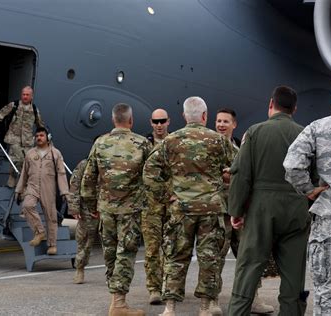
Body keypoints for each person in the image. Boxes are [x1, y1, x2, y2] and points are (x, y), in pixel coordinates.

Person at [143, 96, 234, 316]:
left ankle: (170, 307)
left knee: (176, 257)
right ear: (205, 116)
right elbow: (238, 166)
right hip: (210, 209)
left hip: (180, 209)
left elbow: (150, 172)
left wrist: (167, 195)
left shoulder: (171, 140)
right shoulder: (218, 140)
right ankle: (205, 307)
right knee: (208, 257)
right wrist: (224, 181)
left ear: (184, 116)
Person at [227, 86, 311, 315]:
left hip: (261, 208)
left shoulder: (254, 132)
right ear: (294, 108)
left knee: (249, 269)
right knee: (294, 275)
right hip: (296, 208)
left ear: (270, 104)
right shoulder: (305, 134)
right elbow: (313, 179)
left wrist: (235, 210)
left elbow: (241, 175)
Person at [284, 75, 331, 316]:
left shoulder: (317, 128)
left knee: (326, 290)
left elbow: (293, 165)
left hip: (330, 217)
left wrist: (308, 191)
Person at [81, 103, 152, 316]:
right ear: (130, 121)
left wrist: (91, 205)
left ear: (113, 120)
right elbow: (153, 176)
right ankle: (119, 303)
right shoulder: (141, 144)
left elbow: (88, 177)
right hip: (130, 210)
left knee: (110, 253)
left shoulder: (101, 143)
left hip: (106, 209)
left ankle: (116, 300)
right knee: (126, 253)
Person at [214, 108, 275, 315]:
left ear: (234, 125)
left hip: (241, 210)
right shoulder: (209, 147)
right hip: (219, 211)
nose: (221, 125)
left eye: (225, 121)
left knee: (248, 256)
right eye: (218, 121)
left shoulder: (243, 148)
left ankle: (253, 298)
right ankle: (212, 300)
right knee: (215, 257)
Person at [15, 127, 69, 254]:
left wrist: (64, 191)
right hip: (32, 186)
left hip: (48, 187)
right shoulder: (30, 154)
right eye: (37, 136)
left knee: (51, 216)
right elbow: (24, 174)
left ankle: (52, 245)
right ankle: (40, 232)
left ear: (47, 137)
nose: (39, 138)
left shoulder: (55, 154)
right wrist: (19, 190)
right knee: (27, 206)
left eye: (42, 135)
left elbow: (61, 173)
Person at [0, 86, 44, 187]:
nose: (25, 96)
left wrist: (44, 135)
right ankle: (12, 182)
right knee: (16, 160)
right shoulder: (14, 105)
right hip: (14, 138)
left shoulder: (34, 109)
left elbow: (40, 124)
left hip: (27, 141)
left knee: (26, 162)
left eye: (27, 95)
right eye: (23, 94)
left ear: (32, 96)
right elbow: (1, 114)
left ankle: (22, 185)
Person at [142, 108, 170, 305]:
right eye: (155, 121)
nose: (159, 125)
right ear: (151, 123)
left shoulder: (175, 143)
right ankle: (154, 288)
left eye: (162, 121)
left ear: (168, 121)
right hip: (149, 205)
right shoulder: (144, 145)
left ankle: (170, 286)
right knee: (152, 249)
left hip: (171, 205)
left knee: (172, 248)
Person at [69, 158, 100, 284]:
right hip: (87, 207)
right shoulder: (84, 164)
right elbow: (75, 184)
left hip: (109, 205)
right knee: (85, 240)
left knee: (113, 241)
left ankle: (113, 273)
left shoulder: (113, 162)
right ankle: (79, 268)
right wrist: (74, 208)